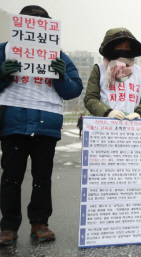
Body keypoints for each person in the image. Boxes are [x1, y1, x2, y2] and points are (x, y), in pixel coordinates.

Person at [0, 5, 83, 245]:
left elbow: (74, 89)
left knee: (42, 177)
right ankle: (8, 227)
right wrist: (2, 74)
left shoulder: (59, 56)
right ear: (20, 25)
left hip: (46, 123)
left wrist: (61, 76)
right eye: (30, 21)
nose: (36, 26)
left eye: (41, 22)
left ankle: (40, 223)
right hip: (13, 122)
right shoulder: (5, 51)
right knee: (11, 178)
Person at [84, 28, 141, 120]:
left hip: (133, 127)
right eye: (119, 47)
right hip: (105, 126)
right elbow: (90, 98)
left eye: (127, 47)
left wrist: (140, 113)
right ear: (111, 48)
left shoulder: (139, 71)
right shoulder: (99, 69)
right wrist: (107, 112)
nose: (123, 50)